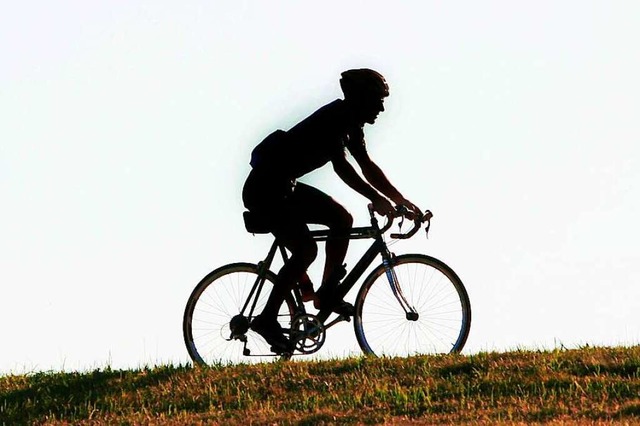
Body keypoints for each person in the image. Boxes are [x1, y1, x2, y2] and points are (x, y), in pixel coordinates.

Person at [241, 68, 422, 353]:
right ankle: (266, 320)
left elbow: (367, 166)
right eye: (377, 99)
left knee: (341, 219)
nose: (382, 107)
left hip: (283, 188)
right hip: (266, 192)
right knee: (306, 251)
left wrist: (401, 200)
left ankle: (325, 294)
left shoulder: (351, 122)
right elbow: (343, 167)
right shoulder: (335, 118)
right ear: (360, 98)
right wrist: (377, 199)